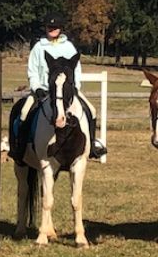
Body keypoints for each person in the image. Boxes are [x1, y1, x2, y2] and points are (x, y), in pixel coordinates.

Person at [12, 14, 107, 161]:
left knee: (91, 111)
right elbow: (33, 71)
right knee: (24, 112)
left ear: (60, 29)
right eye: (50, 27)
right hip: (43, 90)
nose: (52, 30)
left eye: (55, 27)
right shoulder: (38, 48)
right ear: (46, 28)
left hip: (67, 91)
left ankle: (92, 146)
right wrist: (36, 88)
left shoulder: (69, 47)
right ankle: (21, 148)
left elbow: (76, 71)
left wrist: (74, 87)